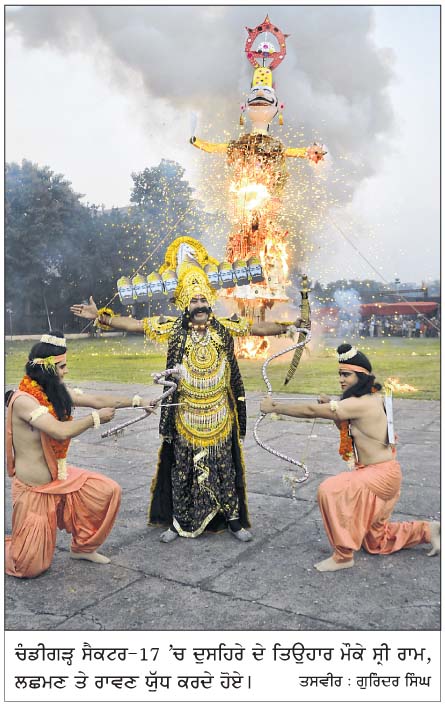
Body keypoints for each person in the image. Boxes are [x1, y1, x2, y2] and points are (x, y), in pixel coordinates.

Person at [71, 255, 301, 544]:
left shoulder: (225, 326)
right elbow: (136, 325)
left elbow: (257, 328)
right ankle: (178, 522)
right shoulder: (173, 327)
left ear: (210, 302)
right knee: (181, 470)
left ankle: (233, 521)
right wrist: (101, 317)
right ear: (185, 304)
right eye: (194, 301)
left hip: (219, 415)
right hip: (185, 415)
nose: (200, 305)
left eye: (203, 300)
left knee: (225, 469)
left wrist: (290, 326)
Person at [260, 343, 440, 572]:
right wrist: (331, 407)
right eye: (340, 374)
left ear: (361, 376)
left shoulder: (360, 403)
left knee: (330, 490)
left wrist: (274, 407)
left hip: (379, 477)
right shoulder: (371, 398)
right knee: (376, 543)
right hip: (383, 475)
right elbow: (348, 428)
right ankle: (427, 530)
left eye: (346, 374)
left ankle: (343, 556)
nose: (341, 379)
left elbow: (312, 411)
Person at [5, 332, 157, 578]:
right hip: (35, 492)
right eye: (62, 366)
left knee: (107, 490)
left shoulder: (55, 391)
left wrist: (139, 401)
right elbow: (59, 430)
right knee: (30, 567)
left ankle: (83, 548)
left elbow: (96, 399)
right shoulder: (24, 400)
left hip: (60, 477)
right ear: (47, 368)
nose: (66, 371)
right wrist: (95, 419)